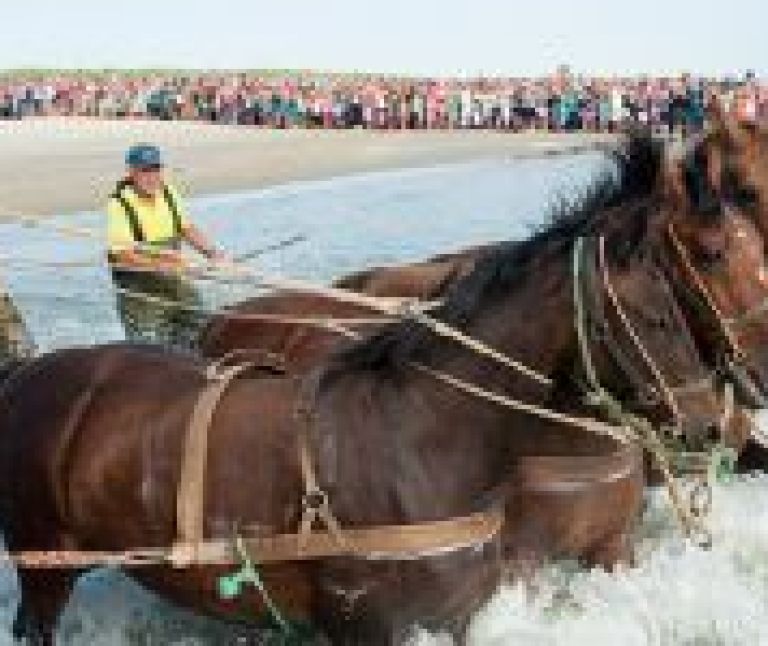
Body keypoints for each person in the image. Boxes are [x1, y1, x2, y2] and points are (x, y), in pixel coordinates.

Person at [107, 143, 226, 351]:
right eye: (145, 171)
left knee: (203, 327)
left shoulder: (169, 193)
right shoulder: (120, 204)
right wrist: (160, 265)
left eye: (156, 169)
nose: (152, 176)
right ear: (131, 172)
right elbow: (122, 255)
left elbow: (186, 228)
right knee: (150, 353)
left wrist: (212, 252)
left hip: (174, 282)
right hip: (141, 295)